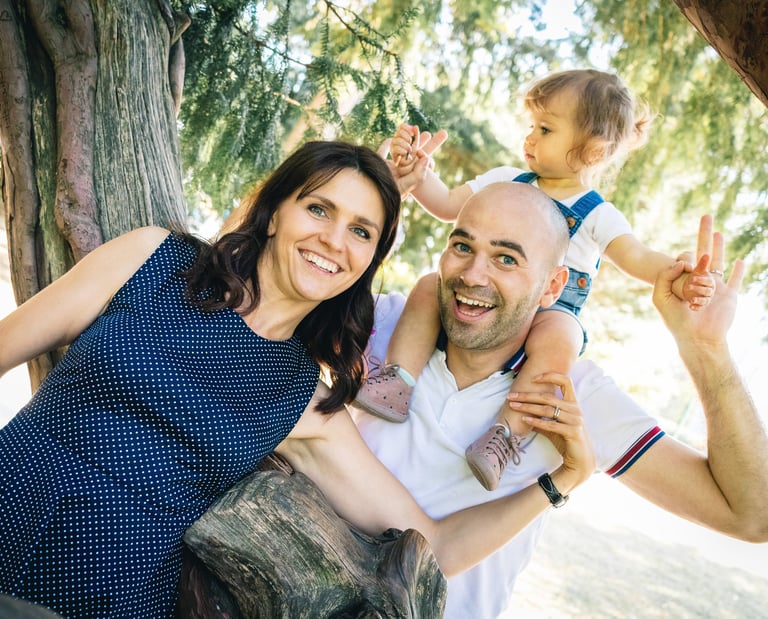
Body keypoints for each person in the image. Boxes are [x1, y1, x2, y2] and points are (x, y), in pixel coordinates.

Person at [0, 141, 597, 618]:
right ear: (275, 212)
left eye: (362, 231)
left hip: (103, 602)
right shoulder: (153, 260)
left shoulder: (302, 397)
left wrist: (563, 480)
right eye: (319, 209)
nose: (334, 241)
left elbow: (436, 545)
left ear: (371, 258)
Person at [350, 180, 768, 619]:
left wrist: (706, 350)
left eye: (506, 258)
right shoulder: (387, 323)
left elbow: (751, 515)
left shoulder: (571, 395)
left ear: (553, 286)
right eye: (462, 246)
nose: (473, 275)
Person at [353, 69, 715, 491]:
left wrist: (678, 274)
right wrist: (418, 173)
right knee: (426, 287)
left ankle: (504, 435)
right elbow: (448, 205)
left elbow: (635, 257)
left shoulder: (596, 212)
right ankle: (399, 380)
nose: (530, 137)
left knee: (562, 338)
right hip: (494, 303)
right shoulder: (505, 179)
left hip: (552, 311)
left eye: (545, 129)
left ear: (594, 151)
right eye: (531, 126)